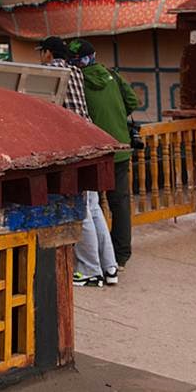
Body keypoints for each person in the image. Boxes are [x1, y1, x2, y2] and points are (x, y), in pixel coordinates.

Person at [38, 37, 118, 288]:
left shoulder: (49, 71)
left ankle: (89, 270)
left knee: (80, 209)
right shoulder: (76, 71)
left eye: (42, 52)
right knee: (93, 208)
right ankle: (109, 266)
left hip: (72, 145)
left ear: (48, 53)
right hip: (90, 140)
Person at [66, 39, 139, 269]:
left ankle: (95, 258)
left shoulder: (76, 81)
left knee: (92, 206)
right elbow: (133, 102)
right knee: (120, 203)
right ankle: (121, 254)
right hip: (121, 147)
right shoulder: (113, 76)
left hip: (96, 151)